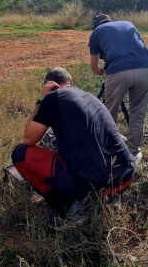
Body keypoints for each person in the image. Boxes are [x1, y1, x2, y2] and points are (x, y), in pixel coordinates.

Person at [11, 68, 136, 215]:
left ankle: (69, 208)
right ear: (71, 83)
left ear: (48, 86)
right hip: (126, 176)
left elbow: (29, 138)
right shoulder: (89, 97)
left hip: (99, 186)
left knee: (20, 153)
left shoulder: (53, 98)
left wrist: (41, 101)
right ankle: (108, 197)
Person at [89, 14, 148, 163]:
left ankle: (111, 151)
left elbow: (94, 67)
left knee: (110, 112)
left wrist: (102, 71)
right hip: (144, 69)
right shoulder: (128, 23)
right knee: (138, 113)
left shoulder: (96, 32)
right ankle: (134, 152)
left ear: (95, 25)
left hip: (118, 71)